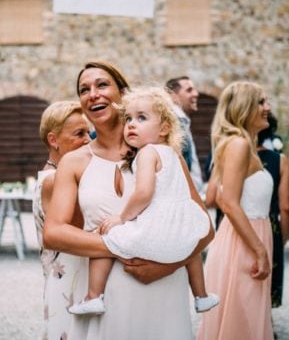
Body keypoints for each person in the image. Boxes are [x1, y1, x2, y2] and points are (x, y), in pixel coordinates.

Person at [44, 62, 214, 339]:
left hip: (165, 289)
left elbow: (204, 227)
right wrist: (125, 248)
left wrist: (167, 264)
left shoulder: (166, 155)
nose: (93, 94)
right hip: (105, 296)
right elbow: (53, 233)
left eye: (102, 85)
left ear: (122, 92)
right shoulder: (74, 162)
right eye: (84, 90)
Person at [68, 87, 218, 315]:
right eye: (128, 118)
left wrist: (121, 218)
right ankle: (201, 296)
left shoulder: (147, 153)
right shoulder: (173, 155)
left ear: (165, 128)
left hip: (156, 229)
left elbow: (144, 193)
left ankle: (93, 296)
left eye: (141, 118)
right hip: (183, 226)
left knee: (107, 237)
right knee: (193, 249)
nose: (131, 124)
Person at [197, 81, 273, 340]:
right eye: (261, 102)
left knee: (246, 318)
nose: (267, 108)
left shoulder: (240, 144)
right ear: (245, 107)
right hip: (244, 243)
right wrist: (259, 249)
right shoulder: (239, 145)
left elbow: (216, 194)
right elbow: (228, 202)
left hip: (246, 237)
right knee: (243, 322)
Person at [32, 100, 91, 339]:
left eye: (89, 132)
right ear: (53, 140)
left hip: (67, 279)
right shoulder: (56, 180)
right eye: (79, 134)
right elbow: (81, 231)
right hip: (70, 283)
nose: (88, 139)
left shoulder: (53, 176)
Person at [256, 112, 289, 308]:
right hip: (269, 227)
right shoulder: (279, 160)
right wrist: (282, 239)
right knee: (266, 278)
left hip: (237, 226)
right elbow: (286, 207)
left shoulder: (229, 154)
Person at [165, 76, 204, 192]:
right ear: (173, 96)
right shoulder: (175, 121)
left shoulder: (182, 120)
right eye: (189, 90)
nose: (196, 94)